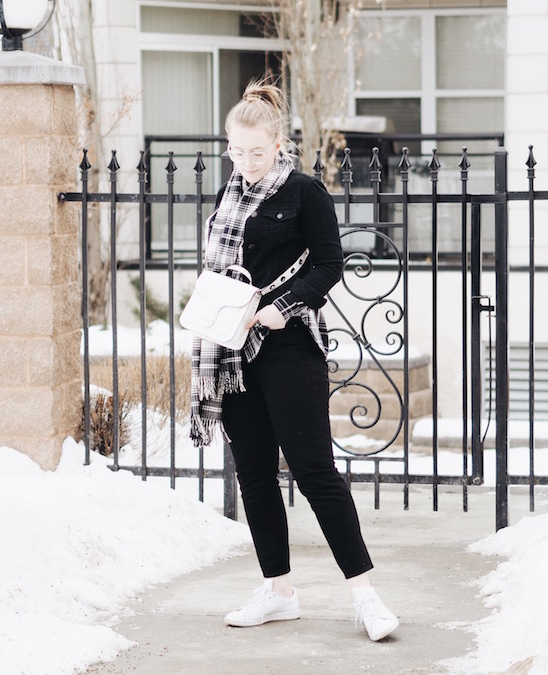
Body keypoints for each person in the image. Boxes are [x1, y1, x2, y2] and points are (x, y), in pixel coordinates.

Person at [189, 79, 399, 642]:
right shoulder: (228, 193)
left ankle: (366, 597)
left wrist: (285, 307)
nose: (246, 161)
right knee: (255, 474)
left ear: (279, 143)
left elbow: (330, 265)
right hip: (231, 350)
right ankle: (278, 592)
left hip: (287, 344)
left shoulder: (305, 192)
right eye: (236, 150)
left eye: (256, 152)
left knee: (313, 472)